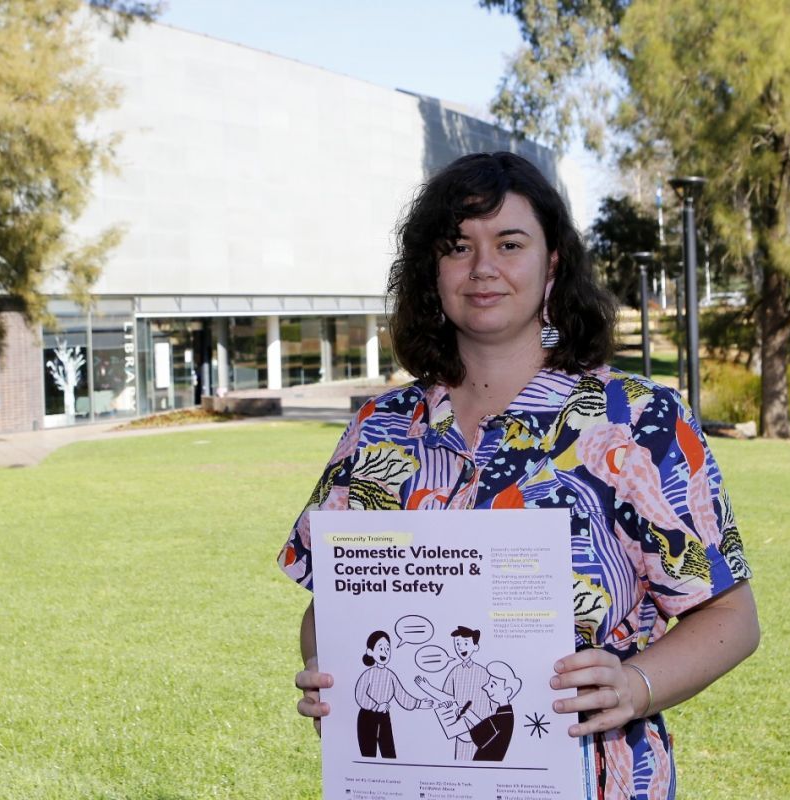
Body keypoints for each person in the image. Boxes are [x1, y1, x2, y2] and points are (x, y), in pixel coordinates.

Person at [281, 152, 760, 799]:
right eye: (458, 247)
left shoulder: (638, 423)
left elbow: (730, 615)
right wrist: (324, 666)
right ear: (433, 270)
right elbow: (329, 606)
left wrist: (635, 684)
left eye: (509, 243)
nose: (483, 268)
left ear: (552, 262)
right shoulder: (379, 429)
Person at [413, 625, 491, 759]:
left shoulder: (484, 673)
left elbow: (494, 704)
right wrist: (429, 689)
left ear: (475, 647)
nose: (461, 647)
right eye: (457, 644)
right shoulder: (455, 672)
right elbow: (447, 698)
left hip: (481, 732)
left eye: (465, 643)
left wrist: (428, 688)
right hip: (460, 731)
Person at [353, 630, 433, 758]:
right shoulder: (368, 674)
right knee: (368, 755)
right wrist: (376, 706)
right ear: (370, 651)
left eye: (387, 649)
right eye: (380, 648)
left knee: (389, 754)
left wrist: (419, 703)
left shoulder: (390, 675)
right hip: (367, 717)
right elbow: (360, 694)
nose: (384, 652)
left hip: (384, 717)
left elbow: (401, 694)